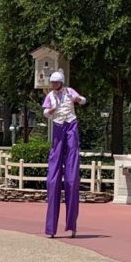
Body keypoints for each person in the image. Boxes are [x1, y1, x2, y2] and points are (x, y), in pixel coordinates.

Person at [42, 70, 87, 238]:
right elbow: (45, 112)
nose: (54, 86)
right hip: (58, 126)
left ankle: (71, 224)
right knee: (53, 180)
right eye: (52, 83)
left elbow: (83, 100)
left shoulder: (69, 91)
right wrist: (50, 111)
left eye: (56, 83)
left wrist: (78, 99)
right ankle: (51, 227)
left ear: (61, 82)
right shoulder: (50, 96)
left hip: (71, 124)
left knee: (71, 177)